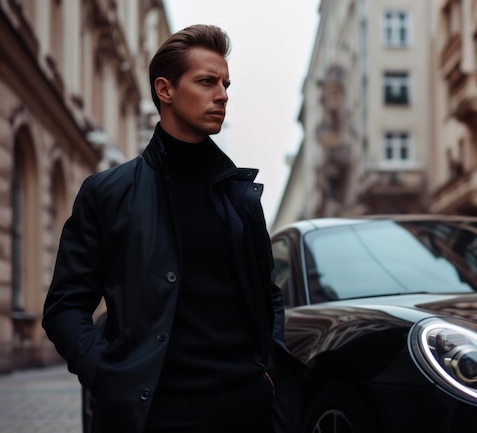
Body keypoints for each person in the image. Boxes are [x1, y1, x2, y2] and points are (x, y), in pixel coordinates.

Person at [42, 24, 305, 433]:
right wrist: (109, 375)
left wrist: (268, 367)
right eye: (206, 82)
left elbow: (267, 293)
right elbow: (65, 307)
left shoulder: (239, 196)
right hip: (154, 415)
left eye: (225, 83)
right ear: (165, 90)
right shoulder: (107, 194)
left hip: (246, 411)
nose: (222, 95)